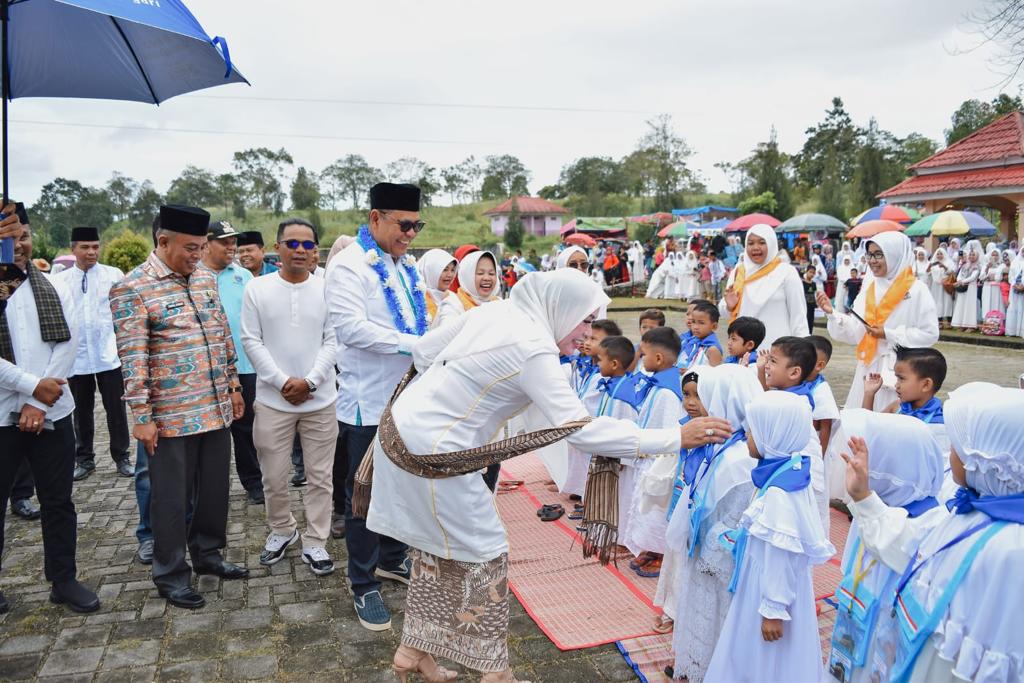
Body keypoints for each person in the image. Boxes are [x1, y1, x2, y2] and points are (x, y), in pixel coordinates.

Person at [362, 268, 734, 683]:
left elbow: (425, 351)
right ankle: (495, 674)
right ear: (563, 309)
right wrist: (675, 437)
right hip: (434, 454)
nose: (589, 336)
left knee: (440, 551)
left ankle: (413, 653)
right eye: (586, 321)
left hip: (398, 433)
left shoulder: (498, 311)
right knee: (484, 555)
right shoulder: (533, 345)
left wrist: (453, 397)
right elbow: (582, 430)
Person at [110, 205, 248, 610]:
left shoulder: (205, 278)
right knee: (170, 498)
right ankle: (170, 573)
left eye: (201, 247)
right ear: (163, 241)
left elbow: (222, 335)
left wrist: (234, 385)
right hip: (170, 418)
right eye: (190, 247)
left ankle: (208, 555)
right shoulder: (133, 288)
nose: (196, 255)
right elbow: (132, 361)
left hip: (215, 408)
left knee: (214, 493)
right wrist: (142, 418)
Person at [841, 382, 1024, 683]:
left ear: (990, 462)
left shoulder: (1011, 552)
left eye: (957, 449)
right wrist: (863, 497)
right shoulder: (971, 512)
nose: (950, 455)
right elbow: (910, 543)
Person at [327, 182, 428, 631]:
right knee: (364, 493)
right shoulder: (350, 266)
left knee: (403, 486)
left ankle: (392, 559)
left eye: (416, 225)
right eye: (403, 224)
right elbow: (351, 329)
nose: (410, 234)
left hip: (408, 400)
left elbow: (420, 319)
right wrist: (416, 344)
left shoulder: (406, 267)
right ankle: (363, 583)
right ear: (375, 219)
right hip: (368, 404)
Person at [0, 210, 101, 614]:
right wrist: (30, 386)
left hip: (52, 413)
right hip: (2, 417)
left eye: (24, 235)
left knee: (59, 502)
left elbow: (68, 343)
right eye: (9, 237)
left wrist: (39, 401)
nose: (19, 244)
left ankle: (63, 580)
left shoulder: (52, 286)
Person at [704, 391, 835, 683]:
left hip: (769, 589)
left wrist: (774, 609)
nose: (748, 435)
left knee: (762, 655)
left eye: (753, 430)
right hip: (769, 583)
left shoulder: (779, 494)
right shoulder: (788, 472)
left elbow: (780, 555)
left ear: (771, 435)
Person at [242, 218, 339, 576]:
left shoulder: (328, 288)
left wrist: (310, 382)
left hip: (321, 401)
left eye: (307, 245)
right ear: (277, 247)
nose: (300, 250)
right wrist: (282, 381)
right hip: (272, 400)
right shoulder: (259, 289)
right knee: (273, 474)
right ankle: (282, 530)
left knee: (319, 476)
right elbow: (251, 339)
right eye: (292, 243)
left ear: (315, 250)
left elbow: (334, 339)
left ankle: (316, 541)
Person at [826, 409, 946, 683]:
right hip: (857, 634)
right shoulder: (875, 513)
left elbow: (896, 546)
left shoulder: (926, 526)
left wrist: (864, 498)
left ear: (893, 467)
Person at [667, 365, 761, 683]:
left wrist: (708, 547)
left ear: (723, 403)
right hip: (704, 552)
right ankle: (696, 665)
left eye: (704, 396)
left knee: (718, 617)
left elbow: (735, 516)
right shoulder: (720, 447)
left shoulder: (741, 458)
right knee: (699, 614)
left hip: (718, 560)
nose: (695, 404)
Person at [817, 232, 939, 411]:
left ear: (895, 254)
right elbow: (855, 331)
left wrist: (888, 333)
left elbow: (929, 333)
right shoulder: (870, 288)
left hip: (901, 372)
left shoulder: (917, 290)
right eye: (870, 255)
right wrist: (833, 314)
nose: (872, 260)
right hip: (869, 368)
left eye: (879, 254)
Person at [50, 226, 133, 482]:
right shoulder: (60, 280)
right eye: (85, 247)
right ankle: (84, 459)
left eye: (95, 246)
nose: (91, 252)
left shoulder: (113, 275)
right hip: (76, 357)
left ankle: (122, 457)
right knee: (81, 409)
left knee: (116, 409)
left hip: (109, 354)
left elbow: (125, 311)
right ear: (73, 249)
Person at [198, 220, 263, 504]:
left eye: (232, 241)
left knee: (247, 429)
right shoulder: (195, 276)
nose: (231, 247)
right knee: (211, 434)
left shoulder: (243, 276)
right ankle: (210, 489)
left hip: (246, 367)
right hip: (207, 371)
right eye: (224, 241)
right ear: (206, 243)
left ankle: (254, 482)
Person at [623, 327, 685, 584]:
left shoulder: (669, 392)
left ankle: (660, 551)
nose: (640, 357)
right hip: (647, 456)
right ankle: (648, 547)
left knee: (656, 508)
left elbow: (670, 430)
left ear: (658, 358)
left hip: (660, 462)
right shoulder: (657, 384)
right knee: (643, 507)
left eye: (644, 353)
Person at [758, 336, 830, 534]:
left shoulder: (793, 401)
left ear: (794, 372)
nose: (767, 365)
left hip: (799, 471)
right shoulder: (788, 393)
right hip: (791, 468)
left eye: (773, 361)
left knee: (795, 524)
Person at [721, 224, 809, 349]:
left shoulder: (786, 272)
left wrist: (802, 351)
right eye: (751, 243)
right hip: (744, 351)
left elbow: (798, 315)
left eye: (762, 243)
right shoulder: (739, 272)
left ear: (772, 244)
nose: (755, 248)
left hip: (778, 352)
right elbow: (725, 312)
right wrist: (730, 307)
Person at [436, 251, 499, 327]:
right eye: (480, 273)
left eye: (491, 273)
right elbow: (446, 335)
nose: (486, 278)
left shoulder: (500, 304)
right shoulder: (453, 305)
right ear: (467, 276)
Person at [806, 335, 840, 457]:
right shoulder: (795, 380)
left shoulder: (821, 391)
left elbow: (826, 427)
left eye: (806, 358)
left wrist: (819, 457)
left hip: (811, 449)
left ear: (819, 365)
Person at [416, 248, 457, 329]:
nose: (450, 275)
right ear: (430, 270)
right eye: (445, 270)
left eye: (452, 270)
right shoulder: (416, 297)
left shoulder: (454, 298)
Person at [679, 301, 722, 368]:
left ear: (714, 326)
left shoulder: (712, 350)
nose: (695, 327)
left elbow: (715, 376)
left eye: (701, 323)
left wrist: (689, 372)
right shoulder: (689, 341)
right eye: (693, 322)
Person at [950, 240, 982, 332]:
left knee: (969, 305)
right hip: (962, 287)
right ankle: (961, 324)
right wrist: (959, 280)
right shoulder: (965, 265)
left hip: (971, 287)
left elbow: (973, 277)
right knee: (962, 305)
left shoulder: (977, 266)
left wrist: (961, 282)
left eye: (973, 255)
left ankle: (970, 325)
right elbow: (960, 274)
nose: (971, 256)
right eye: (970, 255)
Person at [927, 247, 954, 327]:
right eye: (938, 254)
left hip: (945, 284)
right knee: (937, 302)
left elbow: (951, 272)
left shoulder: (949, 262)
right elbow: (928, 273)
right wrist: (929, 267)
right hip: (936, 286)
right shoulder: (933, 262)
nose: (939, 255)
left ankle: (949, 322)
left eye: (941, 254)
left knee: (947, 302)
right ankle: (939, 321)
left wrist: (944, 267)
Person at [980, 247, 1006, 318]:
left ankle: (997, 323)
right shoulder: (985, 266)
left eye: (996, 255)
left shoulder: (1002, 265)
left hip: (997, 289)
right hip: (987, 288)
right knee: (986, 305)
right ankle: (987, 323)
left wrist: (992, 277)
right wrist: (987, 268)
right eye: (993, 255)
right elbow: (981, 277)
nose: (994, 257)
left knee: (996, 304)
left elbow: (999, 278)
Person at [1006, 246, 1024, 337]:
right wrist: (1015, 285)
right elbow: (1011, 276)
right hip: (1014, 290)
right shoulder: (1015, 262)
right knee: (1014, 308)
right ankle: (1012, 331)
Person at [802, 264, 819, 334]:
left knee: (811, 320)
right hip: (805, 305)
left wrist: (816, 303)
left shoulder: (814, 284)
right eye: (810, 272)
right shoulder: (802, 283)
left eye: (813, 273)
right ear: (806, 272)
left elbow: (814, 294)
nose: (812, 274)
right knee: (804, 320)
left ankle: (810, 334)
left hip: (812, 305)